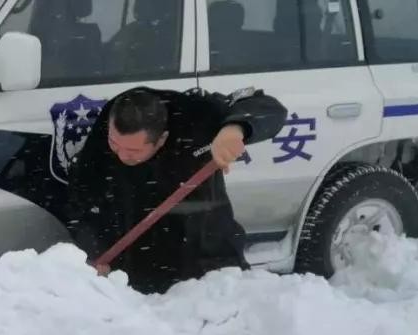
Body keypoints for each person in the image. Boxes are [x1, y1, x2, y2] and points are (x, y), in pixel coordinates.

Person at [63, 85, 288, 295]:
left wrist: (236, 128)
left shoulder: (197, 114)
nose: (121, 155)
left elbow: (268, 108)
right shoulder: (107, 131)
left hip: (209, 257)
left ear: (162, 139)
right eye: (114, 144)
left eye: (133, 151)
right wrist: (94, 252)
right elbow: (81, 203)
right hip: (137, 267)